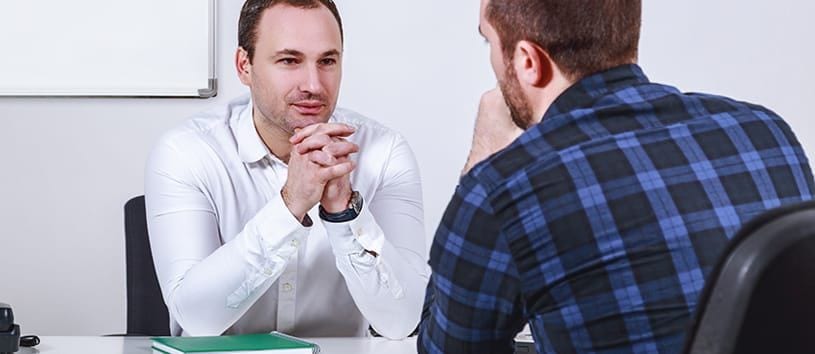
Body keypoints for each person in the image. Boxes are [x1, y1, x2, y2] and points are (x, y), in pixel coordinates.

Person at [419, 0, 815, 353]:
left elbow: (446, 345)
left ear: (527, 60)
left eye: (488, 42)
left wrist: (484, 152)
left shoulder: (503, 186)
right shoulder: (764, 131)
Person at [145, 0, 427, 339]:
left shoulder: (384, 153)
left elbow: (404, 321)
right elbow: (195, 319)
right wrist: (290, 204)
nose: (313, 84)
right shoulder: (187, 152)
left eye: (327, 61)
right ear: (244, 66)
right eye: (289, 61)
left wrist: (345, 214)